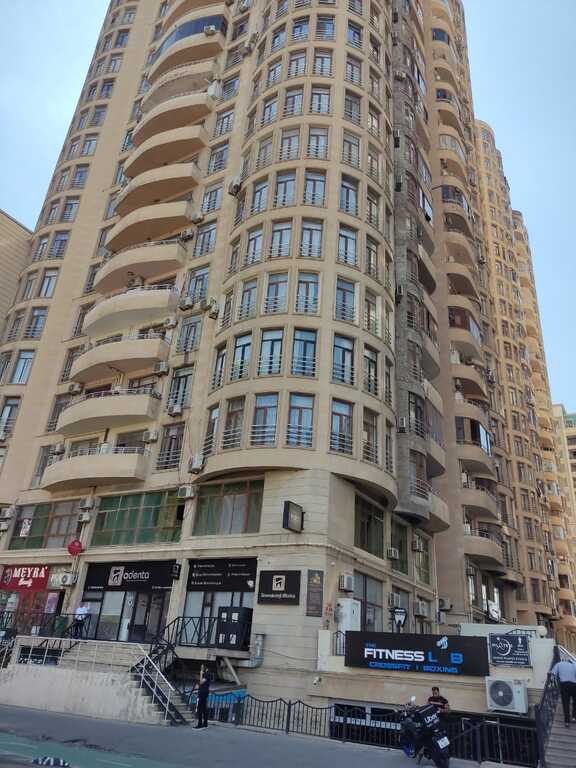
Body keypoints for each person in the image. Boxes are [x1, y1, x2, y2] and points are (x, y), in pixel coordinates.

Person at [551, 658, 576, 727]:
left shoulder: (559, 664)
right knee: (575, 702)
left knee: (566, 703)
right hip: (574, 685)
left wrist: (555, 682)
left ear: (562, 659)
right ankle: (574, 717)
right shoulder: (575, 664)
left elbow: (553, 674)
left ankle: (567, 722)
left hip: (564, 685)